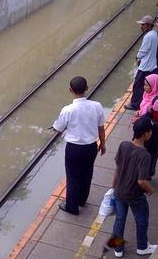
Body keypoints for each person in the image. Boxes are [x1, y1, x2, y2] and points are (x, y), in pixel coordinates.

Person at [53, 76, 106, 215]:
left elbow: (58, 128)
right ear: (87, 88)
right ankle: (82, 200)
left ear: (70, 90)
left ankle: (72, 206)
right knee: (87, 173)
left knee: (73, 176)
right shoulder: (97, 106)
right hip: (91, 147)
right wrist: (103, 144)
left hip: (74, 148)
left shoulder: (68, 109)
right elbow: (101, 128)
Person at [111, 117, 157, 257]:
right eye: (150, 131)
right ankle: (142, 247)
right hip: (134, 194)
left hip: (119, 190)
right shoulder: (144, 155)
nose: (151, 134)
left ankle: (118, 249)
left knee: (120, 218)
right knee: (141, 218)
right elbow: (141, 181)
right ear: (145, 134)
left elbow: (117, 169)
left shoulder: (124, 145)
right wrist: (151, 190)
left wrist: (113, 187)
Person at [131, 74, 158, 177]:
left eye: (147, 85)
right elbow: (145, 111)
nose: (144, 87)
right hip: (144, 134)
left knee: (149, 158)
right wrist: (140, 114)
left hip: (153, 138)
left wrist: (141, 121)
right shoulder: (147, 96)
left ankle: (145, 177)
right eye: (144, 85)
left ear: (154, 86)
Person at [124, 15, 158, 111]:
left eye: (142, 24)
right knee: (146, 86)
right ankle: (144, 101)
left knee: (138, 86)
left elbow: (143, 51)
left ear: (147, 25)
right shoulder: (154, 34)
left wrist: (137, 57)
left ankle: (135, 104)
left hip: (145, 67)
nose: (141, 26)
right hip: (152, 65)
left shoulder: (148, 36)